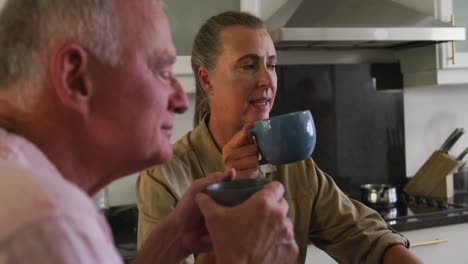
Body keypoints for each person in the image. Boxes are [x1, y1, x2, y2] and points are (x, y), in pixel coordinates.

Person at [0, 1, 298, 263]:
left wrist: (171, 244)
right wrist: (245, 259)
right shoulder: (49, 224)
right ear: (75, 77)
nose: (181, 101)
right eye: (161, 70)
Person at [136, 11, 423, 264]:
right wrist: (234, 194)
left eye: (271, 65)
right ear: (207, 80)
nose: (267, 79)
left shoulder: (293, 165)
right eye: (249, 65)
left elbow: (363, 237)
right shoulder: (164, 177)